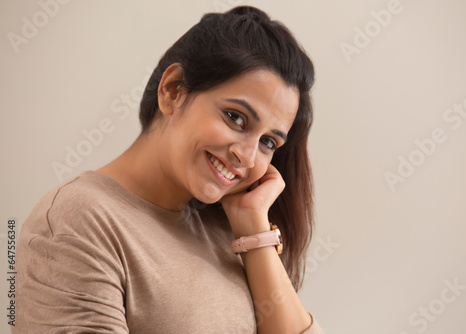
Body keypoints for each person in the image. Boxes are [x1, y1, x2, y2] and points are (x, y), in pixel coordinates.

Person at [14, 6, 323, 334]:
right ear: (173, 90)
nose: (247, 157)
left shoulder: (229, 230)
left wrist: (252, 228)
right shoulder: (77, 220)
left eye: (268, 142)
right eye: (236, 117)